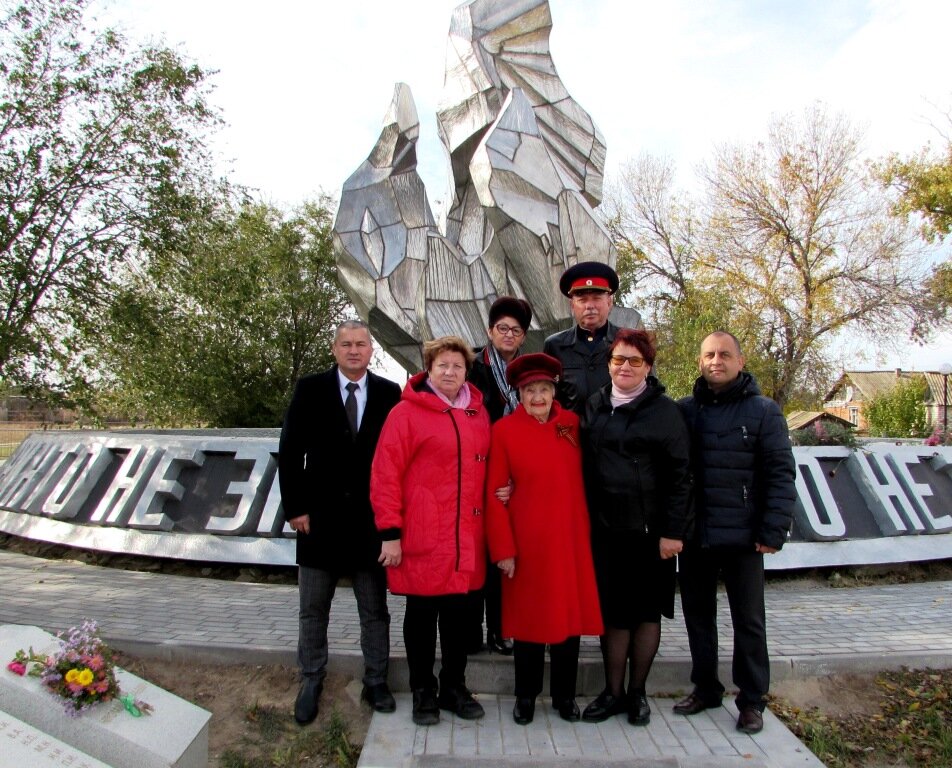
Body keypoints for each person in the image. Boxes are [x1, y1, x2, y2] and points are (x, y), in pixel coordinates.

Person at [278, 320, 402, 725]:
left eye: (361, 344)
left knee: (375, 611)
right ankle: (311, 679)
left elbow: (396, 459)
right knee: (313, 611)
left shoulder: (389, 393)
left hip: (370, 524)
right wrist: (295, 508)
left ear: (371, 350)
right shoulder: (310, 389)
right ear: (334, 349)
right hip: (320, 523)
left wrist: (393, 526)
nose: (354, 351)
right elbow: (291, 450)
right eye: (346, 344)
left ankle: (376, 681)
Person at [674, 331, 796, 735]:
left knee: (749, 621)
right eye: (709, 354)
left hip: (745, 537)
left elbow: (779, 473)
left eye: (725, 354)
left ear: (740, 362)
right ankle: (706, 687)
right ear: (699, 361)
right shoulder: (685, 411)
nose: (716, 361)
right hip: (697, 536)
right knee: (698, 617)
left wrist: (772, 529)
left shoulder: (764, 412)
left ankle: (752, 700)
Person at [371, 336, 491, 726]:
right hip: (424, 534)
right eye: (443, 366)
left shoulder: (478, 412)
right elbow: (385, 474)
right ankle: (423, 691)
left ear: (466, 371)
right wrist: (389, 531)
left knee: (459, 621)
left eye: (458, 366)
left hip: (465, 537)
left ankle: (453, 687)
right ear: (429, 368)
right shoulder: (405, 414)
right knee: (421, 618)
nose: (450, 373)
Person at [580, 329, 692, 726]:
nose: (625, 367)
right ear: (609, 363)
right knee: (613, 614)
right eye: (618, 360)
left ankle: (637, 693)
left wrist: (673, 532)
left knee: (645, 614)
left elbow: (681, 476)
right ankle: (612, 692)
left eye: (635, 361)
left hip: (650, 534)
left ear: (648, 367)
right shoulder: (594, 404)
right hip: (605, 532)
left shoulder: (664, 411)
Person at [485, 353, 603, 726]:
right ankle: (525, 696)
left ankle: (564, 697)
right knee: (528, 627)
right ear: (519, 394)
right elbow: (494, 493)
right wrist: (503, 549)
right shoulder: (503, 431)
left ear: (555, 392)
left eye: (545, 389)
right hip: (526, 547)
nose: (538, 396)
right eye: (530, 390)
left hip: (569, 545)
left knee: (567, 627)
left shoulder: (571, 425)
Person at [466, 296, 534, 656]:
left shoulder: (526, 371)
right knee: (479, 551)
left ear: (523, 336)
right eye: (502, 328)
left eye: (516, 330)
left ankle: (501, 628)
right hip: (478, 468)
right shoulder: (472, 366)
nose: (509, 334)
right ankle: (472, 629)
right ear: (490, 331)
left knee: (505, 552)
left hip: (514, 472)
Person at [543, 261, 621, 412]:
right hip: (571, 433)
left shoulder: (628, 342)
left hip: (618, 433)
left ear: (609, 302)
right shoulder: (555, 346)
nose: (589, 306)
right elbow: (549, 397)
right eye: (582, 300)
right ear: (572, 305)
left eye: (597, 298)